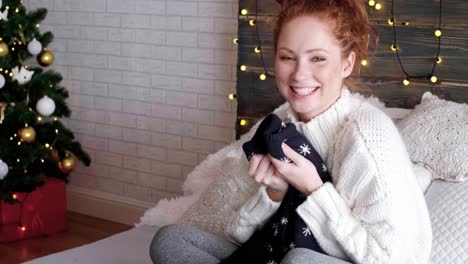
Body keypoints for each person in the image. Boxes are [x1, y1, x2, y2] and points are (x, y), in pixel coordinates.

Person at [149, 0, 433, 263]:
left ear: (346, 64)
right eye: (287, 58)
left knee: (300, 261)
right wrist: (273, 194)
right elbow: (237, 236)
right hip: (272, 252)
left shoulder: (368, 136)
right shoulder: (276, 125)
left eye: (318, 59)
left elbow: (391, 259)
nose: (299, 74)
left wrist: (315, 190)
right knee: (171, 240)